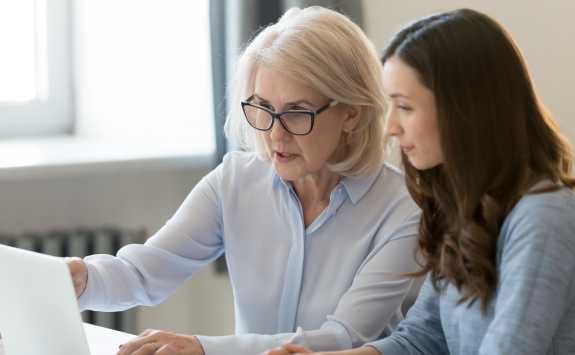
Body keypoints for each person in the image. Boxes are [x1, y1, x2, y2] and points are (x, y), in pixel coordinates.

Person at [66, 6, 422, 355]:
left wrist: (203, 349)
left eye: (297, 113)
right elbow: (143, 273)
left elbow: (342, 338)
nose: (276, 136)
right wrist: (82, 277)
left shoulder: (403, 210)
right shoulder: (235, 181)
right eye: (263, 108)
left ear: (352, 114)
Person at [266, 7, 575, 355]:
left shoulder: (544, 216)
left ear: (463, 110)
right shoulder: (465, 211)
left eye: (405, 107)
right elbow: (422, 339)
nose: (391, 127)